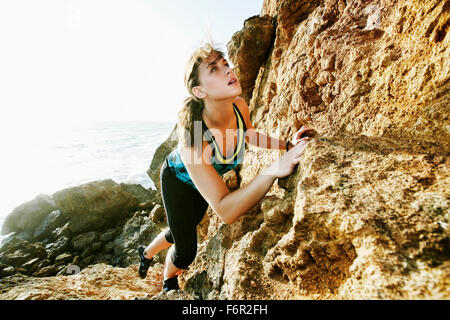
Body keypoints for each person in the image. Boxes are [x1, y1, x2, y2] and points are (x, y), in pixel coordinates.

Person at [137, 42, 316, 292]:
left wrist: (288, 145)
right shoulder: (195, 139)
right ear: (199, 91)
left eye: (225, 63)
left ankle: (145, 252)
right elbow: (225, 210)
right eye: (214, 69)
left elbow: (250, 135)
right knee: (186, 249)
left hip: (202, 181)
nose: (227, 70)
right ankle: (168, 279)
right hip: (177, 181)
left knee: (186, 225)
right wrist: (274, 170)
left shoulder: (239, 107)